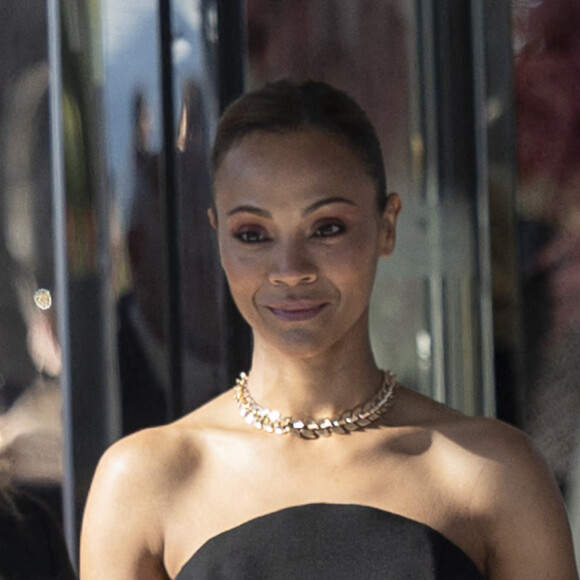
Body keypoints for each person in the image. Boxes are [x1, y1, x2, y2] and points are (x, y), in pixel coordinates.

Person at [79, 80, 578, 579]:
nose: (290, 269)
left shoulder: (493, 473)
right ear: (218, 238)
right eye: (253, 234)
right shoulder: (144, 480)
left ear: (387, 226)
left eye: (327, 228)